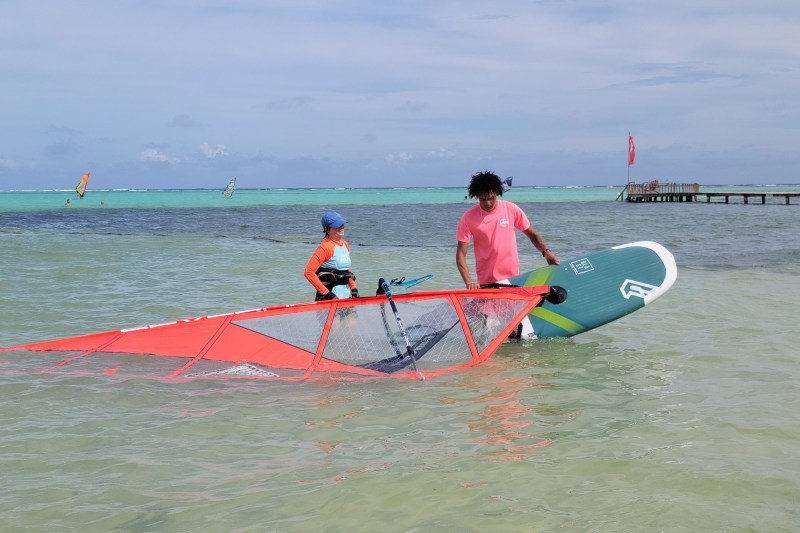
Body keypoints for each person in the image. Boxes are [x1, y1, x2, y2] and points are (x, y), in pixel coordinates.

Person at [456, 170, 560, 289]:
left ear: (497, 193)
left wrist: (546, 253)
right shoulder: (468, 217)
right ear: (477, 197)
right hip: (486, 283)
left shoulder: (511, 209)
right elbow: (460, 255)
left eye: (491, 198)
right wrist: (469, 281)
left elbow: (533, 235)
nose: (488, 203)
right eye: (482, 199)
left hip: (514, 280)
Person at [304, 211, 359, 300]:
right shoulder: (325, 247)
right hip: (329, 299)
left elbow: (346, 269)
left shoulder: (346, 245)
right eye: (337, 225)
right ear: (327, 229)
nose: (341, 227)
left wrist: (353, 288)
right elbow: (308, 272)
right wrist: (327, 294)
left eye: (342, 224)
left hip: (346, 295)